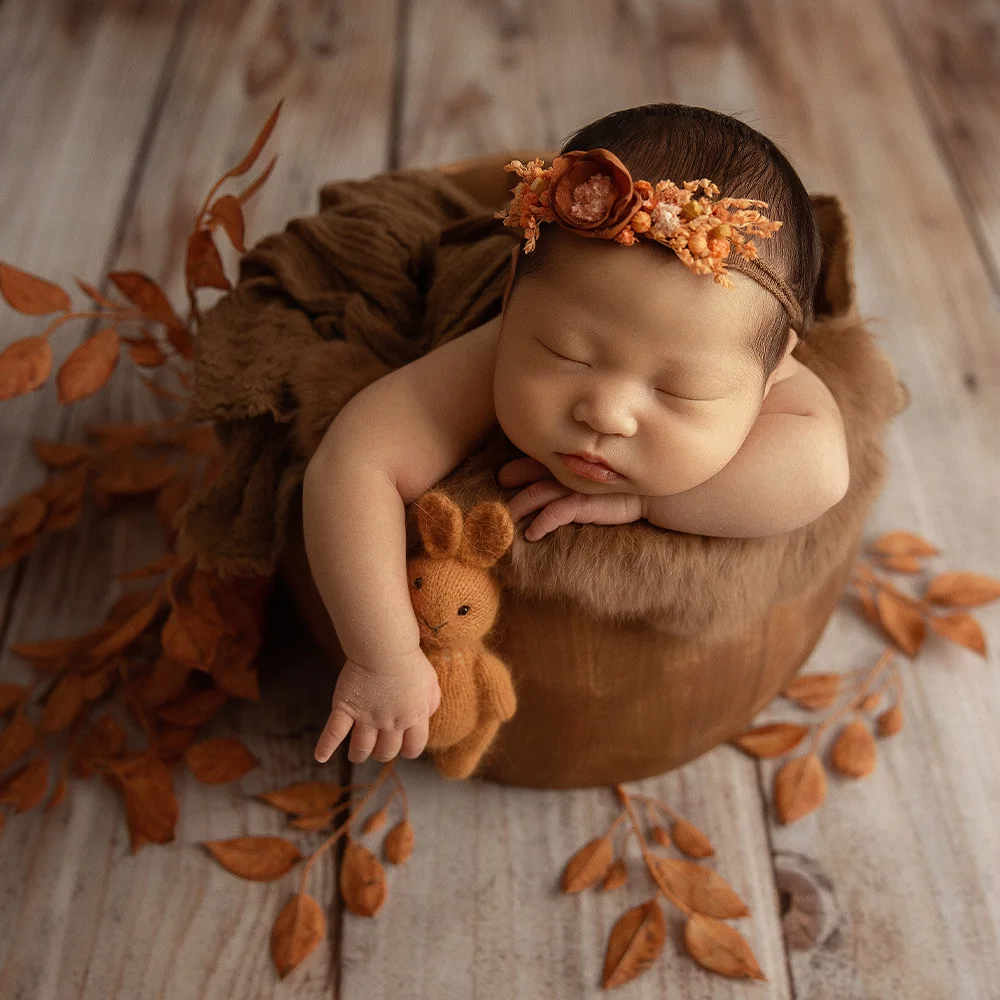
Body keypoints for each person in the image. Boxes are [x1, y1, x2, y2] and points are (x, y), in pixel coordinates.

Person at [302, 104, 850, 769]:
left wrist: (651, 503)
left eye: (680, 392)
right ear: (511, 303)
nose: (606, 412)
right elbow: (353, 462)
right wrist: (382, 654)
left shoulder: (758, 354)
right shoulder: (499, 342)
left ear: (773, 373)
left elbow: (821, 475)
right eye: (567, 356)